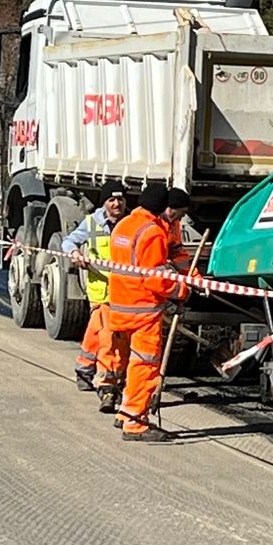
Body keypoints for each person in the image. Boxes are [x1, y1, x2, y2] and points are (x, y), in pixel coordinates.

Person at [105, 182, 192, 442]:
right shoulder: (152, 232)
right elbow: (156, 278)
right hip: (143, 309)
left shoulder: (123, 225)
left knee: (132, 363)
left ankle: (125, 412)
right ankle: (135, 424)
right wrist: (182, 290)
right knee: (144, 364)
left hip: (121, 305)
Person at [65, 187, 129, 393]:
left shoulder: (129, 224)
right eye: (111, 200)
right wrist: (74, 253)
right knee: (107, 337)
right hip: (100, 290)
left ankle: (85, 369)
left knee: (97, 333)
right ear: (104, 203)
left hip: (123, 291)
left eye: (120, 200)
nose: (117, 204)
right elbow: (69, 241)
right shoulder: (92, 222)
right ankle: (106, 381)